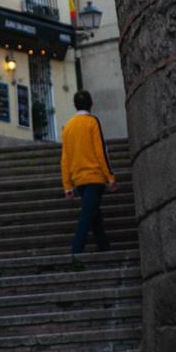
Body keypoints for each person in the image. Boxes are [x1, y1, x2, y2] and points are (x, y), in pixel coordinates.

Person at [61, 90, 117, 255]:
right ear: (91, 104)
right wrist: (110, 177)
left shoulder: (68, 127)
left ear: (74, 105)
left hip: (79, 180)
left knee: (94, 215)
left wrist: (67, 185)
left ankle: (104, 248)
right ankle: (76, 252)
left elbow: (65, 159)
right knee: (88, 215)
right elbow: (100, 152)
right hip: (94, 178)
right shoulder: (92, 122)